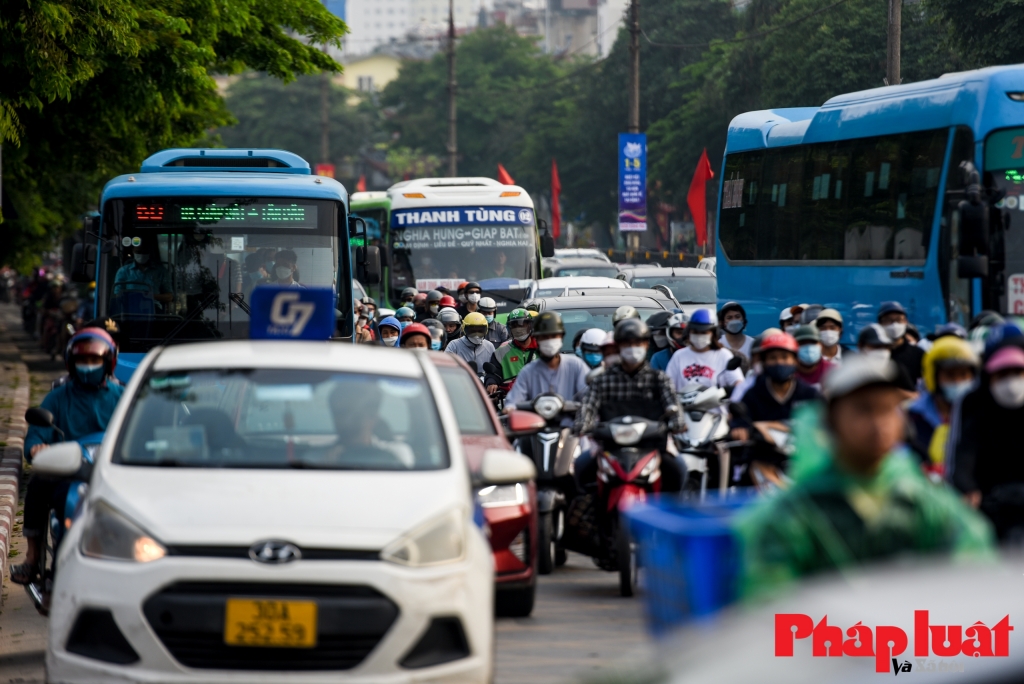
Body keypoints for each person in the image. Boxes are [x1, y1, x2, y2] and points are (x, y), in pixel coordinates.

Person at [737, 355, 994, 599]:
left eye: (887, 409)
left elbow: (972, 568)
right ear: (832, 420)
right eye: (864, 409)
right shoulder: (799, 513)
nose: (878, 423)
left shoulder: (919, 498)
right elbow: (769, 602)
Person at [13, 328, 126, 588]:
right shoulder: (57, 397)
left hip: (110, 472)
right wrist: (36, 449)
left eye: (94, 360)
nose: (88, 366)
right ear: (70, 363)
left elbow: (140, 431)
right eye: (82, 361)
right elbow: (36, 436)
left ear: (108, 362)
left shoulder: (122, 397)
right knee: (39, 484)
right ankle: (32, 557)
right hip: (66, 472)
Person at [574, 318, 684, 492]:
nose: (633, 348)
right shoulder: (603, 380)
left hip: (652, 447)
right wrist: (582, 424)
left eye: (637, 343)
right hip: (611, 448)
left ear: (646, 345)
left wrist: (677, 422)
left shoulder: (659, 379)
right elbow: (587, 406)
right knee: (580, 469)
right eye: (627, 343)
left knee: (679, 470)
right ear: (618, 346)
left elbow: (673, 406)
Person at [948, 344, 1024, 534]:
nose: (1011, 382)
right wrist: (968, 489)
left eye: (1017, 373)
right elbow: (963, 460)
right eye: (1002, 375)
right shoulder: (977, 417)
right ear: (989, 380)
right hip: (991, 514)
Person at [907, 336, 978, 474]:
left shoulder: (983, 414)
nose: (958, 382)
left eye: (964, 375)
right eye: (950, 375)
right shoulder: (912, 416)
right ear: (933, 376)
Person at [505, 312, 590, 410]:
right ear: (536, 339)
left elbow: (588, 397)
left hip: (572, 424)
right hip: (536, 424)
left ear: (561, 337)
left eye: (554, 336)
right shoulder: (528, 372)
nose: (549, 340)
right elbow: (513, 402)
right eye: (544, 337)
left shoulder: (577, 366)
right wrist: (510, 409)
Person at [665, 309, 744, 391]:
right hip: (685, 402)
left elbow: (738, 383)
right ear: (689, 332)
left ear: (713, 333)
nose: (699, 336)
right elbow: (668, 385)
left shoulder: (723, 355)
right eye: (695, 332)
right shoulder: (679, 356)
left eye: (704, 332)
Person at [484, 308, 538, 393]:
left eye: (521, 325)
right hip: (511, 399)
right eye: (514, 326)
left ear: (530, 326)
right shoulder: (500, 352)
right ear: (509, 329)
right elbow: (493, 374)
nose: (518, 329)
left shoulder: (543, 349)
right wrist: (491, 382)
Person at [878, 300, 925, 388]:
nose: (894, 324)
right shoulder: (876, 354)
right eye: (889, 320)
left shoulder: (918, 354)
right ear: (880, 324)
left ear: (905, 322)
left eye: (899, 320)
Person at [112, 241, 173, 308]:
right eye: (138, 252)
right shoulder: (123, 271)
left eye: (144, 252)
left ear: (149, 252)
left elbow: (169, 297)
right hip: (130, 308)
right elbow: (117, 295)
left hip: (154, 307)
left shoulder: (160, 271)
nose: (141, 255)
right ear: (133, 251)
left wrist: (150, 296)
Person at [857, 323, 915, 393]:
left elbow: (913, 395)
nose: (882, 351)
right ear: (861, 346)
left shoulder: (895, 368)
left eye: (886, 347)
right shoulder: (850, 371)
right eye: (876, 346)